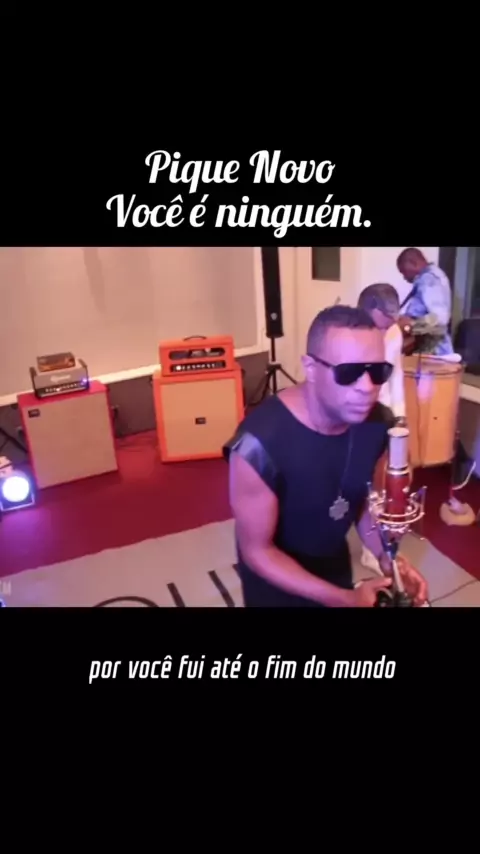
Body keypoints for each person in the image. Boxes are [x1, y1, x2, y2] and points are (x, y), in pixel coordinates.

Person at [223, 305, 428, 607]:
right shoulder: (257, 445)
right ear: (310, 368)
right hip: (275, 585)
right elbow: (257, 551)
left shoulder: (377, 424)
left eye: (377, 371)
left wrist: (388, 558)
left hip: (334, 564)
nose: (367, 387)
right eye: (349, 373)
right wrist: (344, 598)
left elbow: (363, 504)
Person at [357, 283, 406, 572]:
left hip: (383, 411)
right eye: (381, 324)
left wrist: (400, 415)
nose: (385, 330)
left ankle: (370, 550)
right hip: (353, 412)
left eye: (389, 324)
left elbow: (395, 375)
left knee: (378, 481)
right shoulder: (347, 332)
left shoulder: (394, 332)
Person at [396, 248, 453, 355]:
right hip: (427, 349)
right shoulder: (427, 278)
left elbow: (440, 319)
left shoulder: (430, 279)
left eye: (403, 271)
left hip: (434, 352)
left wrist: (410, 324)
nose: (404, 277)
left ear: (413, 263)